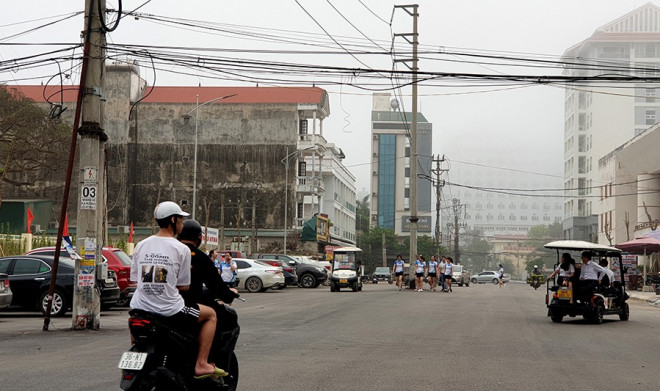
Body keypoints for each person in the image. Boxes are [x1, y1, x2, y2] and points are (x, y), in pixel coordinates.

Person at [129, 201, 221, 379]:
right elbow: (184, 286)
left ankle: (135, 354)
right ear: (172, 220)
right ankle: (202, 363)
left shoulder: (141, 245)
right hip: (170, 309)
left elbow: (135, 280)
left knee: (137, 325)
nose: (182, 224)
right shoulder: (181, 249)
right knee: (211, 315)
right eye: (180, 219)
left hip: (139, 307)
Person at [178, 220, 239, 307]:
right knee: (227, 315)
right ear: (199, 237)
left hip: (160, 304)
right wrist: (229, 295)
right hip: (187, 305)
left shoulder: (168, 252)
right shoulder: (200, 257)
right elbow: (215, 285)